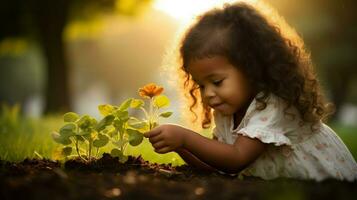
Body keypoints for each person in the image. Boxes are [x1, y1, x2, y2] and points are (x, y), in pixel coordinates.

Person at [144, 2, 357, 181]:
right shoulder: (228, 112)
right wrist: (180, 147)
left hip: (324, 186)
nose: (208, 93)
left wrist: (185, 138)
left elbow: (236, 159)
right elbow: (217, 165)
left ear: (252, 69)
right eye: (201, 85)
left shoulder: (273, 105)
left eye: (216, 82)